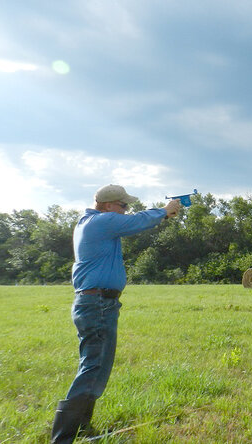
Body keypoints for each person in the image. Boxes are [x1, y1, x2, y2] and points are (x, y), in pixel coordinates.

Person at [51, 184, 181, 443]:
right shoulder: (100, 222)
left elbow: (132, 220)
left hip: (97, 303)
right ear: (109, 205)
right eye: (123, 206)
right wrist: (166, 211)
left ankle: (80, 428)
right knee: (93, 367)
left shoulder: (90, 222)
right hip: (97, 304)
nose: (126, 211)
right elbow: (138, 222)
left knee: (95, 367)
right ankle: (63, 438)